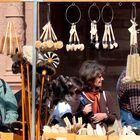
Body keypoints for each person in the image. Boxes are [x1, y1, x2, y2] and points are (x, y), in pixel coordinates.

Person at [78, 60, 118, 131]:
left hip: (103, 136)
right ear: (90, 79)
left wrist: (105, 116)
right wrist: (83, 113)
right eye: (99, 77)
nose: (102, 79)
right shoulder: (80, 96)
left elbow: (114, 117)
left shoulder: (106, 95)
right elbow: (72, 119)